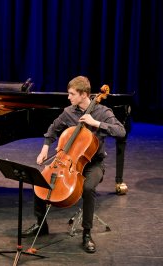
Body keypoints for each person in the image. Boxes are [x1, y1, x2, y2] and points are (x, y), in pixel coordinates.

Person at [22, 76, 126, 253]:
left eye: (72, 94)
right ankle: (41, 224)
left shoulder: (103, 112)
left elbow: (121, 131)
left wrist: (96, 124)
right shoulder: (69, 112)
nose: (68, 97)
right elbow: (53, 129)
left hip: (93, 164)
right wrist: (45, 148)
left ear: (84, 94)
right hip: (68, 161)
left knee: (88, 188)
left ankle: (86, 233)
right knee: (41, 181)